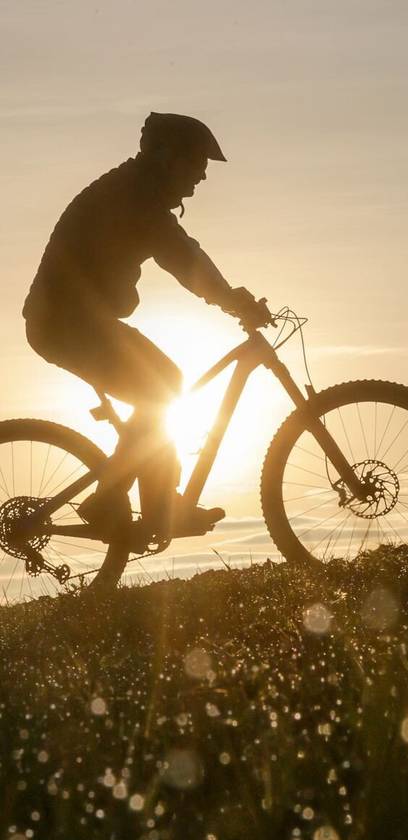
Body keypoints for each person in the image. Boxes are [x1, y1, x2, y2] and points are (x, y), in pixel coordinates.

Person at [22, 112, 269, 545]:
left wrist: (231, 298)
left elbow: (182, 251)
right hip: (65, 323)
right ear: (165, 157)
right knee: (164, 385)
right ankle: (125, 504)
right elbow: (182, 257)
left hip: (73, 321)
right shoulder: (133, 198)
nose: (203, 176)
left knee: (161, 389)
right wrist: (233, 300)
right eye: (196, 163)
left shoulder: (137, 192)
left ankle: (154, 507)